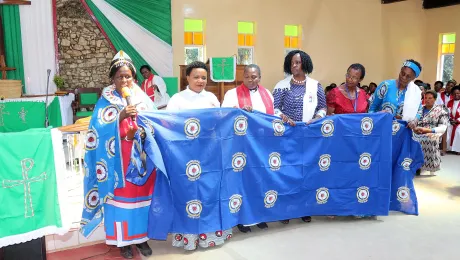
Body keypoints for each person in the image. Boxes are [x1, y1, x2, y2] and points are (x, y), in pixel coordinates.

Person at [81, 51, 156, 259]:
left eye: (128, 76)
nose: (124, 80)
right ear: (112, 78)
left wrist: (141, 130)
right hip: (116, 161)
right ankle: (122, 242)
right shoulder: (105, 100)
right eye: (119, 76)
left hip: (140, 158)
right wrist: (120, 117)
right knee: (119, 201)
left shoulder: (142, 97)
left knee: (141, 199)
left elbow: (154, 122)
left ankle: (141, 238)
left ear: (134, 77)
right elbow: (96, 132)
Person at [167, 61, 230, 250]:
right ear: (187, 78)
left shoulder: (211, 98)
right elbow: (169, 125)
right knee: (188, 194)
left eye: (204, 77)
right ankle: (189, 237)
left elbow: (219, 123)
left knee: (209, 192)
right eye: (196, 77)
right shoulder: (177, 100)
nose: (200, 81)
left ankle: (210, 235)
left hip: (208, 154)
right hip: (185, 156)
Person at [273, 50, 327, 224]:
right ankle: (286, 210)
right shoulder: (282, 85)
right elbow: (274, 108)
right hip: (287, 135)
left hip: (308, 135)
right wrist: (283, 117)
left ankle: (304, 208)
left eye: (297, 62)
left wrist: (317, 119)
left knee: (306, 172)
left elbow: (323, 108)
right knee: (288, 172)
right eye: (291, 63)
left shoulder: (315, 85)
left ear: (305, 64)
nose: (294, 66)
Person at [221, 64, 271, 233]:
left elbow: (271, 116)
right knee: (242, 181)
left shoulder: (267, 94)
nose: (251, 80)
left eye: (254, 77)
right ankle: (242, 218)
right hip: (240, 145)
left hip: (261, 145)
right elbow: (224, 114)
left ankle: (259, 216)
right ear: (243, 77)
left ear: (260, 77)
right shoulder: (232, 94)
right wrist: (240, 111)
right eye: (248, 77)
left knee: (259, 179)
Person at [369, 59, 423, 128]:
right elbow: (372, 108)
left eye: (408, 76)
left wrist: (414, 121)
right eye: (402, 73)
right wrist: (378, 114)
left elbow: (419, 110)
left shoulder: (415, 92)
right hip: (381, 128)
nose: (404, 77)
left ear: (413, 78)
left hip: (402, 133)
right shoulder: (386, 86)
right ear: (400, 70)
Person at [413, 90, 449, 175]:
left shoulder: (441, 110)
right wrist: (415, 128)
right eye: (426, 98)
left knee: (428, 138)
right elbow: (413, 121)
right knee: (410, 138)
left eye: (430, 98)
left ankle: (429, 166)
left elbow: (443, 127)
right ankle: (415, 165)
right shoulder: (419, 109)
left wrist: (429, 130)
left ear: (435, 99)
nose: (427, 100)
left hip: (432, 132)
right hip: (417, 131)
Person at [446, 86, 460, 154]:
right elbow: (447, 112)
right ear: (452, 94)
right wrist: (451, 120)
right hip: (451, 121)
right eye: (454, 93)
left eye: (458, 93)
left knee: (458, 130)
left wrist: (457, 121)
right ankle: (448, 148)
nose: (456, 95)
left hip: (459, 122)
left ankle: (458, 149)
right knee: (448, 128)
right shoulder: (449, 102)